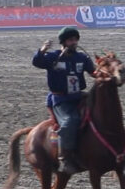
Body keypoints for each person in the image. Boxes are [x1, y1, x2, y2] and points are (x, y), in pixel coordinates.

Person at [32, 26, 96, 174]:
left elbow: (93, 72)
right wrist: (42, 50)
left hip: (79, 96)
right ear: (63, 42)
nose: (74, 42)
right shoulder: (53, 57)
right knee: (70, 122)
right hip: (61, 100)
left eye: (75, 39)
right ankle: (64, 158)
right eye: (70, 40)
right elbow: (37, 62)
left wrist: (108, 70)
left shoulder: (82, 58)